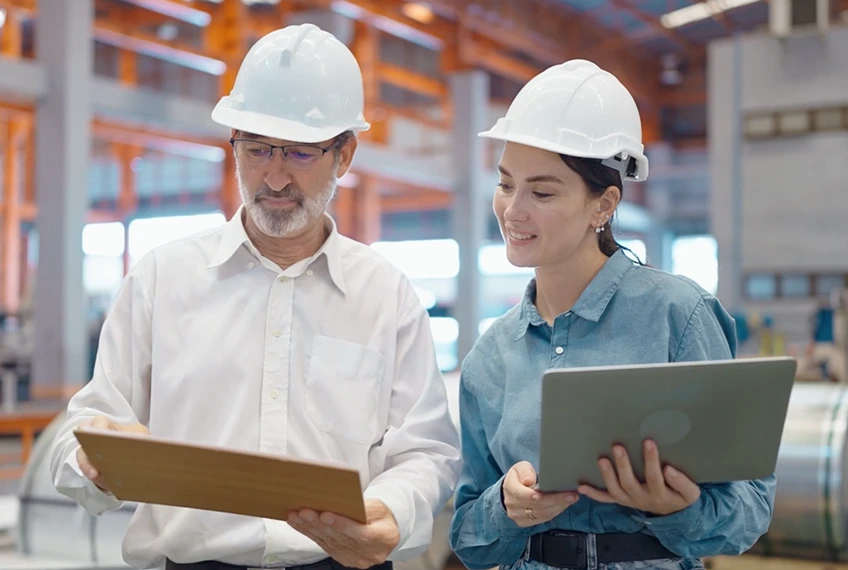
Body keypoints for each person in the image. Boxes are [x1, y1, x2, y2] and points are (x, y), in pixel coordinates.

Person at [49, 23, 461, 570]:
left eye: (298, 153)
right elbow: (84, 432)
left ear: (345, 154)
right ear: (234, 143)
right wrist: (90, 456)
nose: (273, 176)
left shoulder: (385, 294)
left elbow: (427, 450)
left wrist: (392, 509)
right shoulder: (161, 279)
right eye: (257, 148)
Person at [448, 59, 775, 570]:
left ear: (603, 205)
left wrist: (678, 510)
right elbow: (467, 538)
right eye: (506, 183)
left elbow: (750, 509)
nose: (513, 210)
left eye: (542, 191)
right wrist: (505, 508)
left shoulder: (678, 317)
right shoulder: (490, 356)